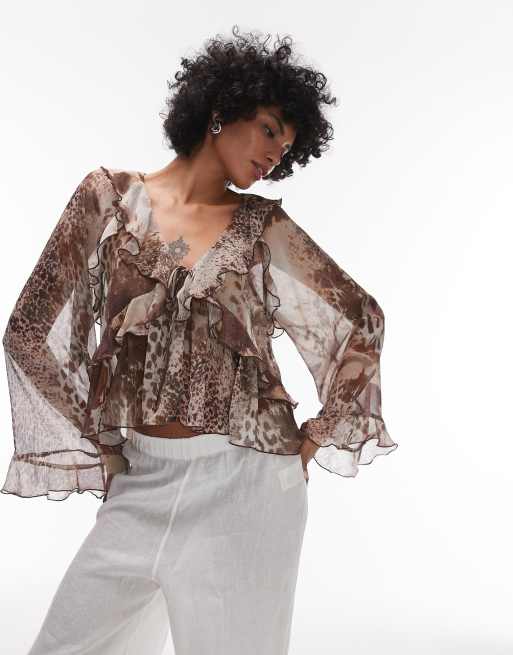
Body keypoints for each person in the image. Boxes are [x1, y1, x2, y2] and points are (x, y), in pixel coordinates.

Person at [1, 25, 398, 655]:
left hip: (249, 488)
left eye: (287, 148)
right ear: (220, 109)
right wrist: (98, 443)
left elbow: (361, 319)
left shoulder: (263, 226)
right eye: (269, 130)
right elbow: (28, 332)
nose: (275, 155)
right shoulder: (108, 197)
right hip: (140, 480)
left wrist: (315, 437)